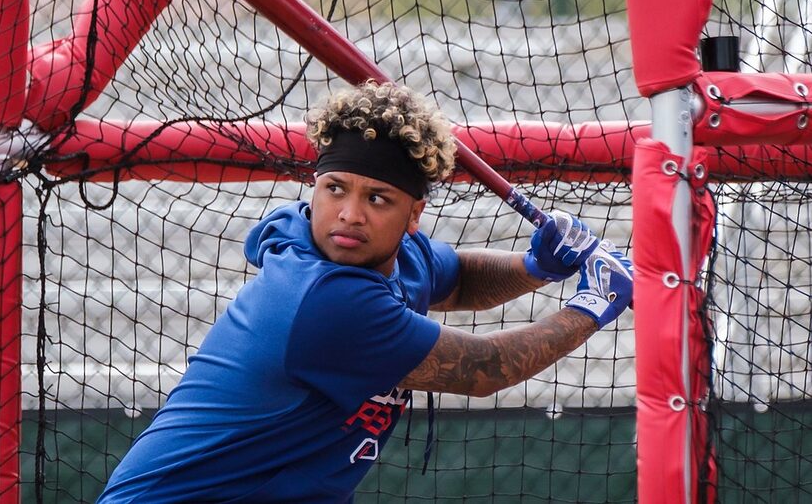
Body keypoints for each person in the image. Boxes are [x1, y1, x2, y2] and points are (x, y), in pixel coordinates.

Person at [97, 81, 633, 503]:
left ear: (413, 216)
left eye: (377, 199)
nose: (349, 215)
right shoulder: (324, 300)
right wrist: (593, 304)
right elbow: (487, 369)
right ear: (315, 188)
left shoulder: (394, 258)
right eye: (335, 190)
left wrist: (536, 265)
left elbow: (460, 277)